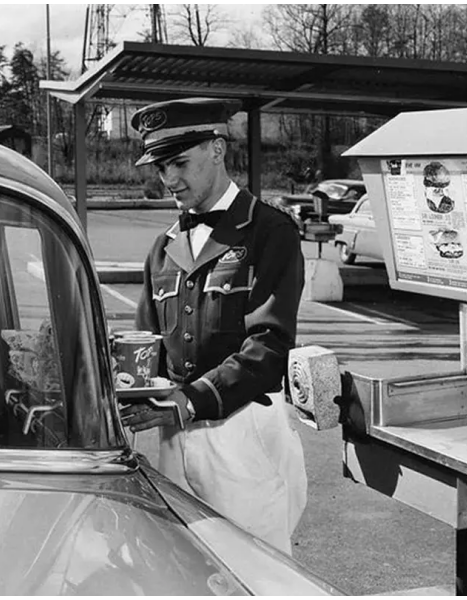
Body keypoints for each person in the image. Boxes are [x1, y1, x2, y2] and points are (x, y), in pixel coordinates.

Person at [121, 97, 307, 556]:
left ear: (218, 150)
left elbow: (270, 345)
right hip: (172, 436)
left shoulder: (268, 231)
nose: (169, 180)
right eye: (161, 167)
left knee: (254, 572)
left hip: (241, 433)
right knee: (180, 567)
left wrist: (191, 400)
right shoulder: (162, 249)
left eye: (180, 162)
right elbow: (147, 348)